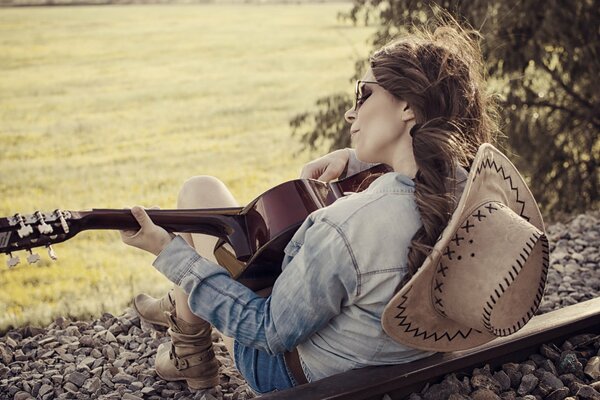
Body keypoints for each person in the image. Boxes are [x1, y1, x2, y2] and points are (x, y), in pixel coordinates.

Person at [120, 19, 500, 393]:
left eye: (363, 95)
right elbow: (429, 166)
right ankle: (181, 318)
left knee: (200, 196)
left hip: (299, 376)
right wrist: (359, 158)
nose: (352, 113)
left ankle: (187, 338)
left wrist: (168, 253)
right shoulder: (477, 192)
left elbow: (266, 330)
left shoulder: (345, 226)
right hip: (411, 361)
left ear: (408, 110)